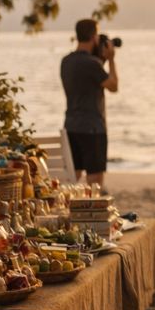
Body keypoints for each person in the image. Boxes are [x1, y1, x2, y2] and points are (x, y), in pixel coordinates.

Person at [60, 19, 118, 186]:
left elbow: (85, 80)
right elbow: (113, 86)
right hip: (93, 128)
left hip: (71, 126)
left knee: (73, 178)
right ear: (94, 37)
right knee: (94, 182)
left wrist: (100, 60)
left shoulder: (66, 62)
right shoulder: (92, 64)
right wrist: (111, 59)